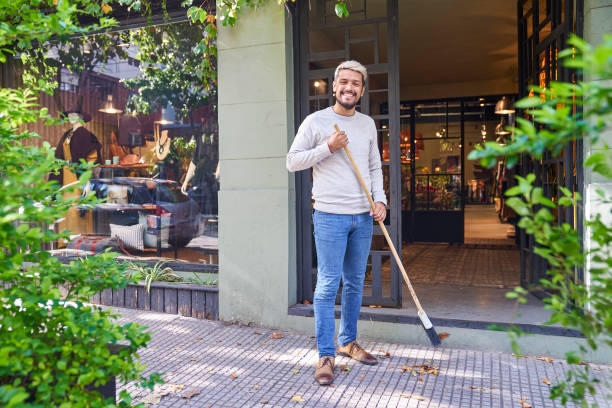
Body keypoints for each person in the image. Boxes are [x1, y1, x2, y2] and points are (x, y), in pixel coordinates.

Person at [286, 60, 387, 386]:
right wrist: (327, 147)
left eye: (355, 83)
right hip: (329, 215)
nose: (349, 88)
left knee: (356, 283)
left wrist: (380, 199)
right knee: (328, 286)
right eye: (344, 82)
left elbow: (374, 168)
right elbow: (292, 161)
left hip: (363, 216)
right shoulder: (316, 122)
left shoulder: (368, 124)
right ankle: (326, 354)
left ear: (361, 89)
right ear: (334, 86)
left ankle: (348, 341)